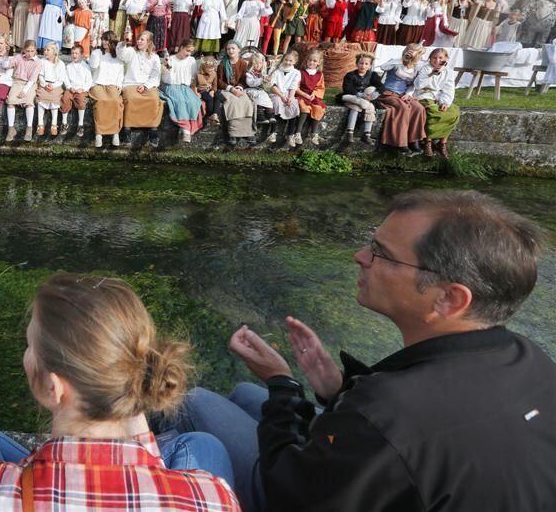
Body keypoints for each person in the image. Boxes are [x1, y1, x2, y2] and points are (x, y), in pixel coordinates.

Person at [162, 189, 556, 512]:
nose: (360, 257)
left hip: (301, 493)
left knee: (197, 404)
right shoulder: (532, 359)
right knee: (247, 395)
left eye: (381, 253)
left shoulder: (390, 410)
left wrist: (281, 383)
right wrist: (337, 389)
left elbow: (290, 490)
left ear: (449, 299)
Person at [0, 274, 241, 512]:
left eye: (30, 344)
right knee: (204, 445)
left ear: (53, 387)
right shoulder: (212, 497)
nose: (26, 352)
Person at [378, 42, 428, 154]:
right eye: (409, 49)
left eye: (414, 51)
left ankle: (414, 140)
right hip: (388, 94)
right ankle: (400, 142)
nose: (410, 52)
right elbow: (382, 67)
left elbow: (412, 85)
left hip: (403, 95)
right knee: (403, 108)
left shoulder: (416, 68)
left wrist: (408, 94)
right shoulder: (396, 62)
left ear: (418, 55)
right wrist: (401, 60)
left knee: (419, 108)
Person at [414, 48, 460, 159]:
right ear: (430, 58)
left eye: (440, 58)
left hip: (438, 96)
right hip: (424, 95)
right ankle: (428, 141)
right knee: (433, 112)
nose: (437, 60)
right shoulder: (425, 68)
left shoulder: (448, 72)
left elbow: (449, 89)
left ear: (446, 59)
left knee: (454, 112)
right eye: (434, 57)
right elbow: (418, 85)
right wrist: (431, 74)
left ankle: (442, 142)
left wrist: (445, 102)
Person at [160, 41, 203, 144]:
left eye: (191, 52)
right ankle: (185, 129)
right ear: (181, 47)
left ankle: (190, 128)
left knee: (193, 101)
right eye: (187, 50)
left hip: (185, 87)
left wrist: (194, 89)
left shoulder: (191, 60)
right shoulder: (171, 59)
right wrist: (168, 68)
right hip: (171, 86)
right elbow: (166, 79)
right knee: (179, 101)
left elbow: (193, 77)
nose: (189, 53)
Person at [213, 41, 253, 147]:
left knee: (246, 102)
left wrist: (239, 87)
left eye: (233, 48)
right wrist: (231, 89)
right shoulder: (222, 64)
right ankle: (233, 134)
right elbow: (219, 81)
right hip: (226, 89)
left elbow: (244, 79)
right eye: (228, 49)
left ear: (239, 50)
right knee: (233, 102)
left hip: (239, 89)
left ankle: (247, 132)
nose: (230, 51)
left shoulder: (243, 64)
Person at [339, 52, 382, 144]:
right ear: (357, 64)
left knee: (371, 107)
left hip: (366, 99)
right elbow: (348, 89)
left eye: (366, 64)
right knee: (356, 107)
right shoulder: (350, 75)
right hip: (352, 97)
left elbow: (381, 87)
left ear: (370, 66)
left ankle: (367, 134)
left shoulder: (372, 75)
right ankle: (350, 132)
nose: (363, 66)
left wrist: (373, 95)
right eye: (361, 63)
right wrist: (361, 95)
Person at [5, 40, 42, 142]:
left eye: (32, 51)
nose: (29, 53)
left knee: (29, 102)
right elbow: (8, 65)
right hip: (18, 82)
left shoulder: (38, 62)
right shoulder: (19, 57)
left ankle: (29, 129)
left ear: (35, 51)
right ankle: (11, 129)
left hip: (30, 84)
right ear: (24, 50)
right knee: (10, 101)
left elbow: (33, 78)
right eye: (27, 51)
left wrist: (25, 91)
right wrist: (9, 53)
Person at [265, 50, 301, 145]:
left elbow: (293, 87)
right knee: (276, 103)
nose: (288, 62)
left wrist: (290, 97)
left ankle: (290, 134)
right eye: (286, 60)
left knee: (294, 105)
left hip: (288, 93)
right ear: (283, 59)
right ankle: (273, 132)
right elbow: (272, 85)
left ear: (295, 61)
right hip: (276, 92)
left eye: (290, 61)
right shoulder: (275, 70)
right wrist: (281, 96)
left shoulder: (296, 73)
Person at [294, 49, 327, 147]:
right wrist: (304, 95)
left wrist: (314, 94)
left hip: (312, 96)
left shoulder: (319, 74)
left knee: (318, 108)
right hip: (301, 95)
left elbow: (320, 87)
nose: (311, 62)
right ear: (306, 60)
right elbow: (296, 87)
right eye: (310, 60)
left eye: (314, 61)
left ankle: (314, 133)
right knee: (304, 108)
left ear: (319, 62)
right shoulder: (300, 72)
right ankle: (297, 133)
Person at [35, 42, 67, 137]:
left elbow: (61, 79)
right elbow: (40, 75)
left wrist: (53, 86)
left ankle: (54, 124)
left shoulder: (60, 64)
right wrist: (45, 85)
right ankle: (40, 124)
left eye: (48, 50)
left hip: (55, 86)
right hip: (44, 84)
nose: (45, 52)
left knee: (55, 99)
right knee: (41, 98)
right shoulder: (42, 62)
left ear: (54, 52)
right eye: (44, 50)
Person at [60, 45, 92, 137]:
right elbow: (66, 79)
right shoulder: (69, 67)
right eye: (72, 53)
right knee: (65, 98)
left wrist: (83, 89)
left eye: (76, 53)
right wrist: (70, 87)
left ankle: (80, 124)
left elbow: (89, 81)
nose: (74, 55)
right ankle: (64, 123)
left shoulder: (86, 67)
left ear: (81, 54)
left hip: (81, 89)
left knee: (81, 101)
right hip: (71, 89)